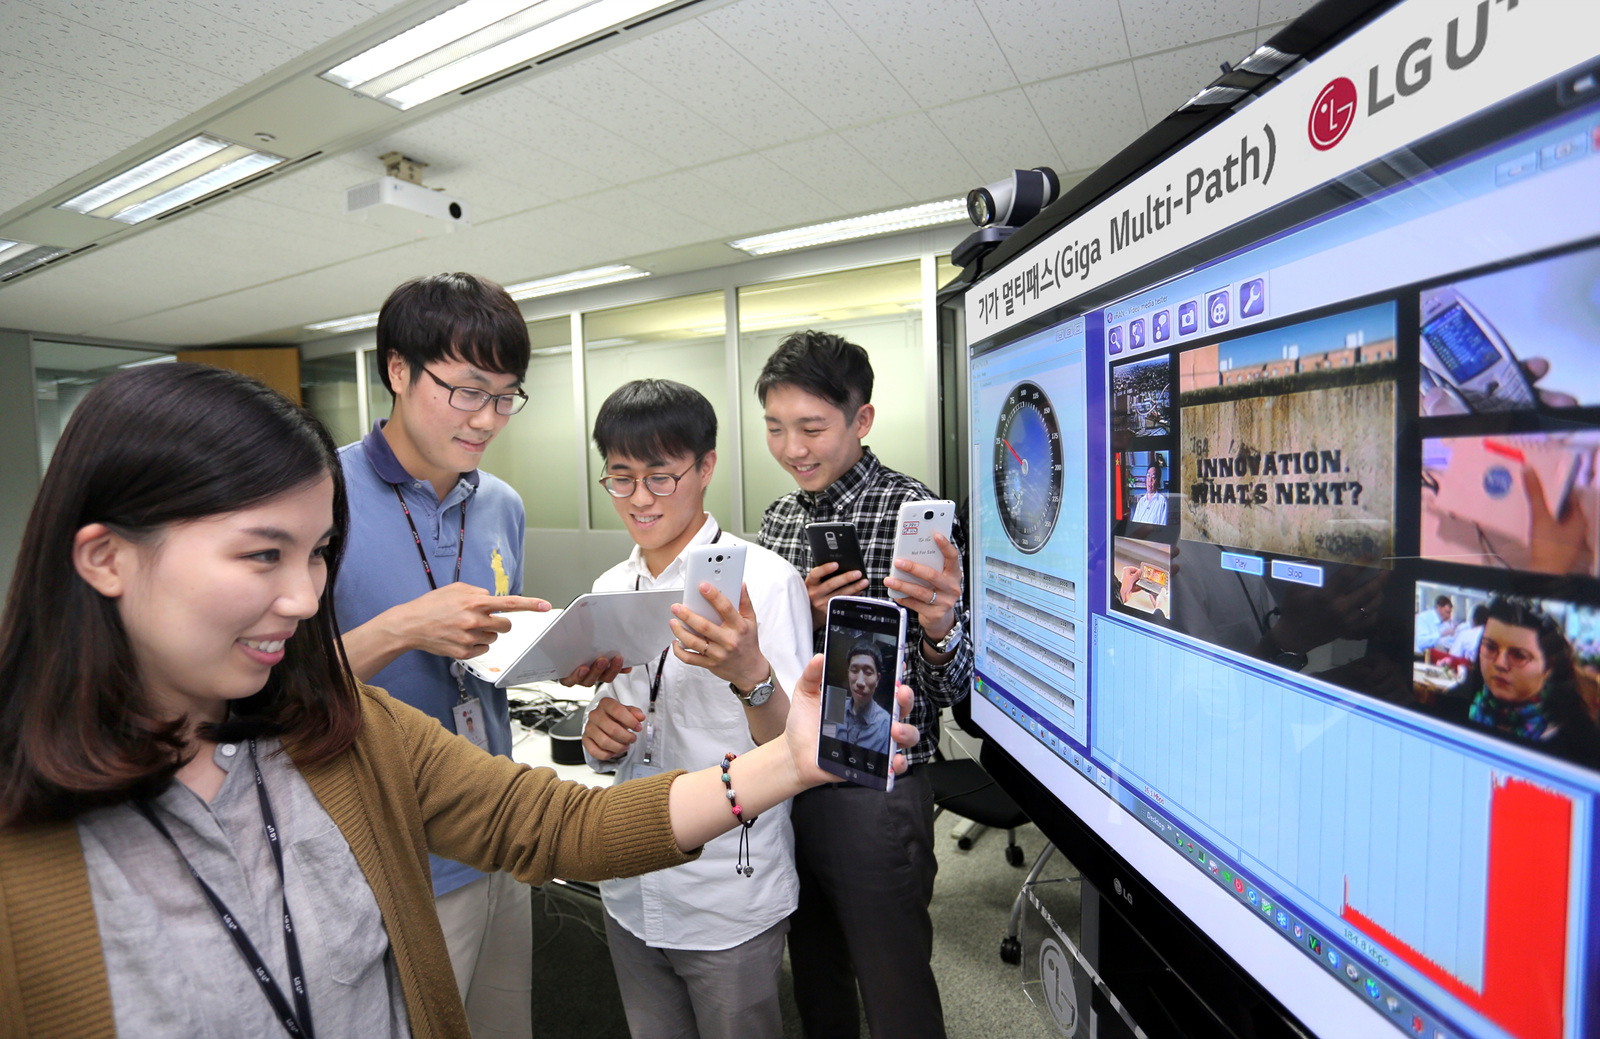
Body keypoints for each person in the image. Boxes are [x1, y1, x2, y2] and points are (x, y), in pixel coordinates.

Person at [0, 364, 920, 1037]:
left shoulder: (352, 734)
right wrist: (603, 733)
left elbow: (559, 824)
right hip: (647, 898)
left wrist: (786, 745)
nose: (307, 597)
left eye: (319, 554)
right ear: (105, 557)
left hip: (724, 888)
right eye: (261, 554)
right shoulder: (31, 839)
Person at [333, 272, 594, 1038]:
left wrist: (555, 656)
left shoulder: (501, 504)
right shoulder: (322, 496)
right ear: (398, 371)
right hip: (386, 850)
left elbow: (481, 656)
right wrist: (404, 627)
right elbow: (271, 695)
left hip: (493, 827)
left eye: (507, 395)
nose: (488, 418)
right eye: (468, 390)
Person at [575, 380, 811, 1039]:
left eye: (660, 475)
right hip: (629, 883)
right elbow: (611, 739)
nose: (640, 499)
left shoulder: (764, 581)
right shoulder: (609, 589)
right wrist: (599, 736)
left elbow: (795, 747)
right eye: (620, 478)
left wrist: (749, 674)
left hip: (724, 895)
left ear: (705, 467)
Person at [755, 329, 970, 1039]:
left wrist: (940, 629)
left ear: (862, 420)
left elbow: (955, 691)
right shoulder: (778, 519)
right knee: (814, 979)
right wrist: (800, 613)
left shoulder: (915, 513)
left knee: (895, 990)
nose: (793, 448)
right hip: (789, 776)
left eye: (812, 427)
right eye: (776, 428)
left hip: (880, 789)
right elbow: (769, 666)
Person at [1435, 596, 1600, 767]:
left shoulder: (1578, 740)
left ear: (1549, 667)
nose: (1500, 663)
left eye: (1519, 655)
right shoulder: (1451, 705)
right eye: (1491, 647)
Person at [835, 642, 892, 751]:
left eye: (868, 672)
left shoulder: (886, 725)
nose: (860, 682)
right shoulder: (834, 707)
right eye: (854, 671)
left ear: (878, 679)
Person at [1129, 458, 1168, 525]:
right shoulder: (1141, 501)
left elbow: (1163, 528)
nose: (1150, 480)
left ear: (1158, 481)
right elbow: (1134, 525)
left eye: (1153, 477)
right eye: (1148, 476)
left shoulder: (1162, 501)